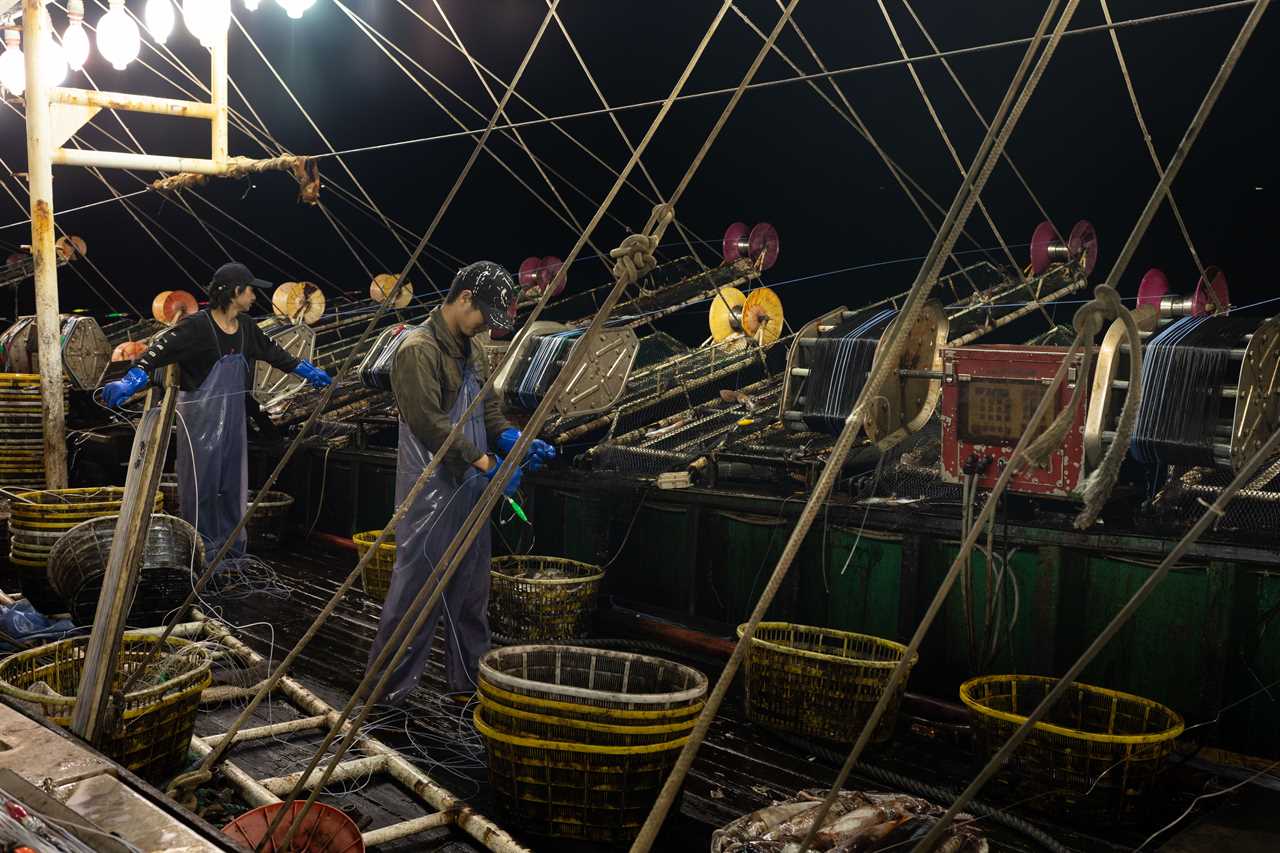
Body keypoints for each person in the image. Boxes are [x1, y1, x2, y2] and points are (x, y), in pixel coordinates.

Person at [368, 261, 555, 706]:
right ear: (465, 297)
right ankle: (385, 695)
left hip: (469, 491)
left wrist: (514, 439)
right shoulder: (417, 349)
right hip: (431, 493)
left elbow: (486, 411)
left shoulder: (471, 350)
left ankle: (467, 686)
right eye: (484, 317)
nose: (485, 328)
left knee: (471, 594)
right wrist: (485, 460)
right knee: (415, 597)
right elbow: (429, 425)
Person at [101, 262, 331, 557]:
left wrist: (308, 371)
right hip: (199, 423)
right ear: (236, 292)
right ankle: (199, 552)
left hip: (233, 421)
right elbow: (156, 353)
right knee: (201, 487)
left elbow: (275, 353)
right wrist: (130, 381)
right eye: (250, 290)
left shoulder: (247, 328)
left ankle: (230, 551)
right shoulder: (197, 326)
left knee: (232, 486)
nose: (254, 297)